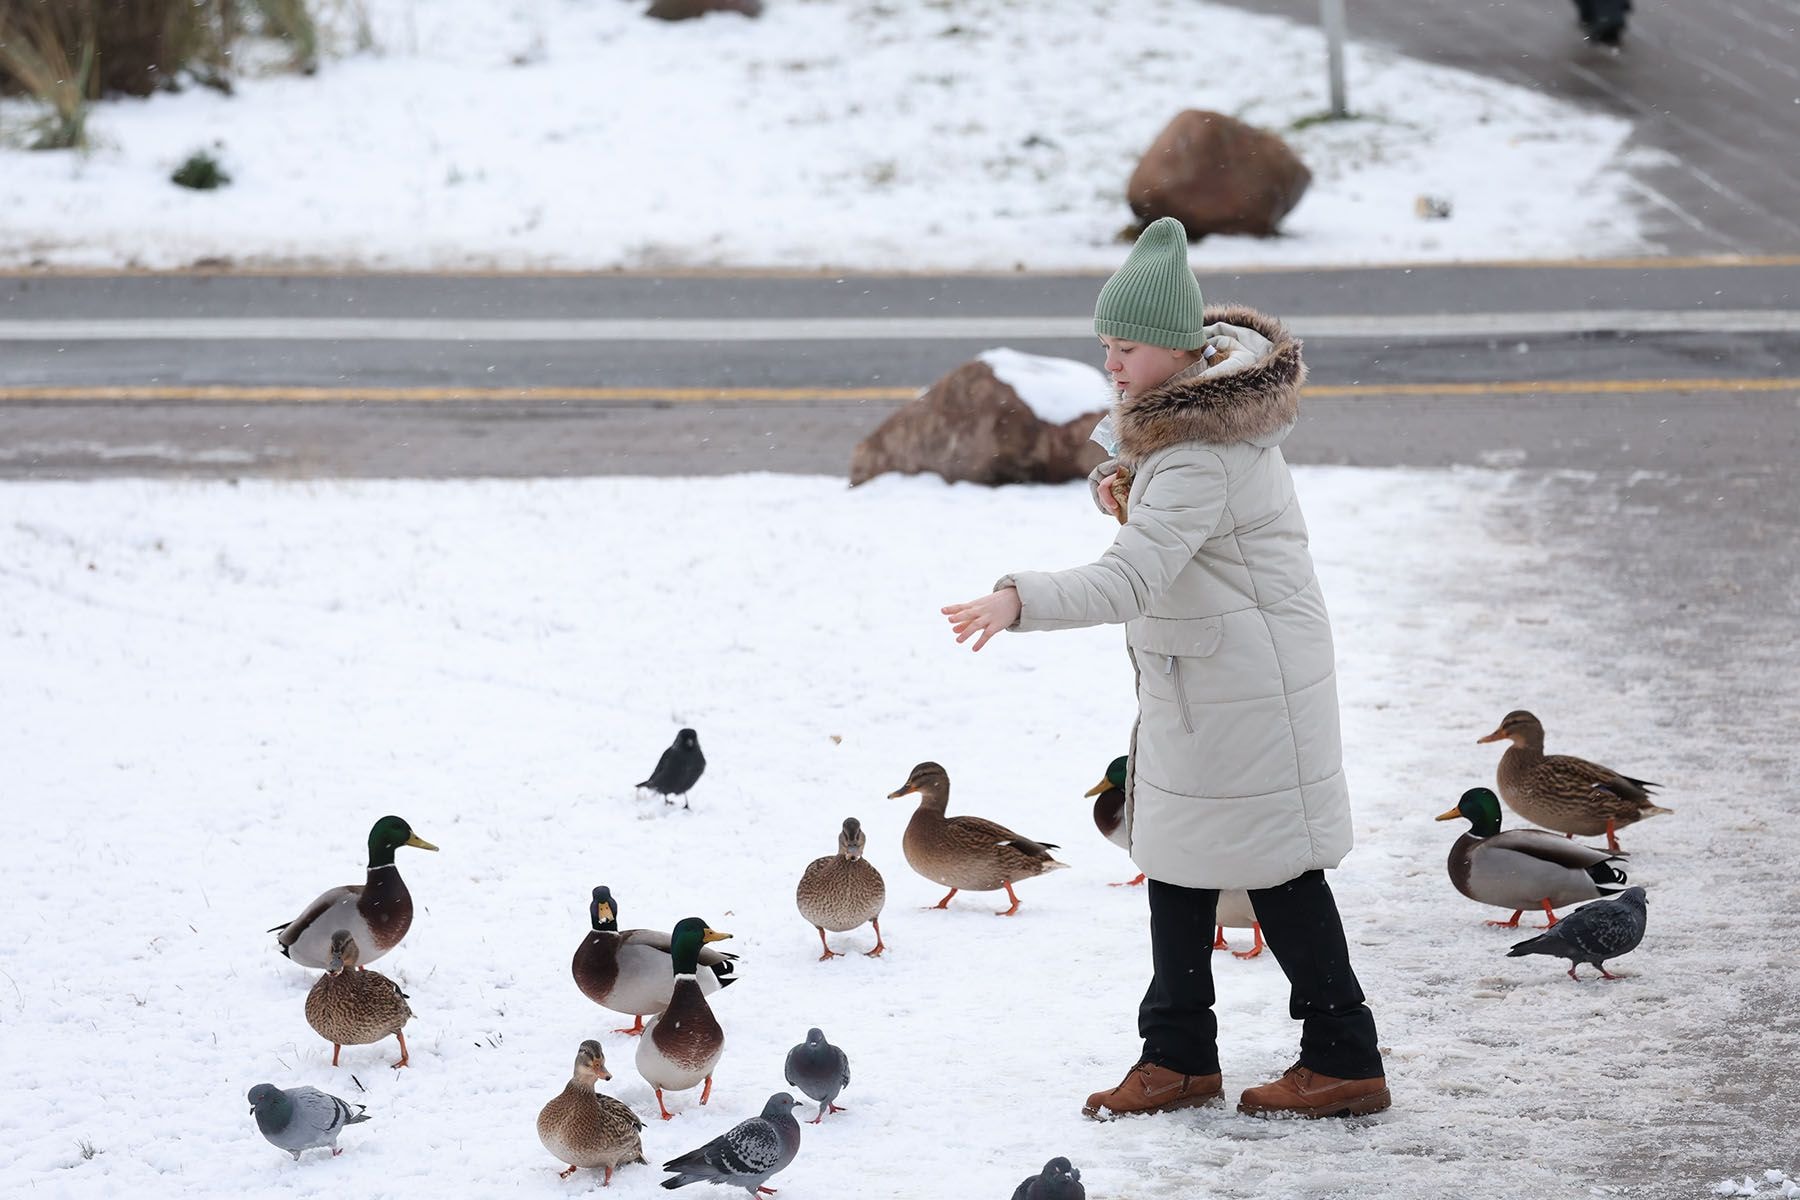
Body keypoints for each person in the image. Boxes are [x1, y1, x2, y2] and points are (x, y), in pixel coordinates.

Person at [940, 217, 1389, 1121]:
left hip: (1246, 690)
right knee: (1180, 865)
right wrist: (1129, 488)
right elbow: (1190, 546)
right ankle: (1179, 1054)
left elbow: (1134, 577)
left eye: (1128, 347)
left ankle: (1343, 1054)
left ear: (1182, 351)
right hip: (1209, 680)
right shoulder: (1191, 434)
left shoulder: (1197, 451)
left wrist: (1016, 599)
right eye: (1106, 346)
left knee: (1280, 871)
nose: (1111, 364)